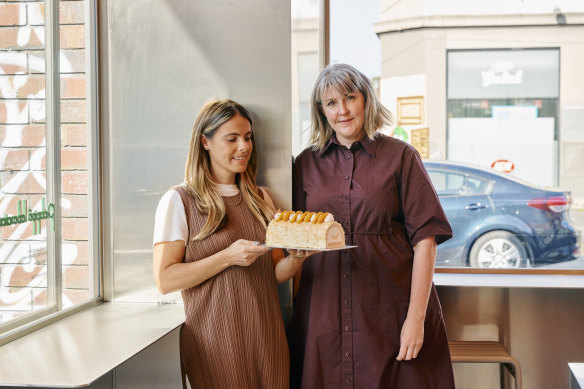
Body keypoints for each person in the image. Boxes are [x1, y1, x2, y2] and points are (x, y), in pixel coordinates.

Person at [290, 64, 455, 388]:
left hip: (388, 310)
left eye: (350, 97)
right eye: (331, 103)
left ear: (366, 100)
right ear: (321, 111)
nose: (343, 110)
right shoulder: (305, 164)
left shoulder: (402, 157)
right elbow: (292, 236)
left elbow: (426, 239)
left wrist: (415, 319)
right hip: (324, 313)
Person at [152, 99, 315, 389]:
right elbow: (165, 279)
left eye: (248, 137)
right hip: (215, 346)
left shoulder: (261, 199)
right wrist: (226, 257)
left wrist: (297, 259)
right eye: (232, 138)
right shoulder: (179, 201)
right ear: (205, 142)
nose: (244, 146)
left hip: (269, 340)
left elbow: (273, 273)